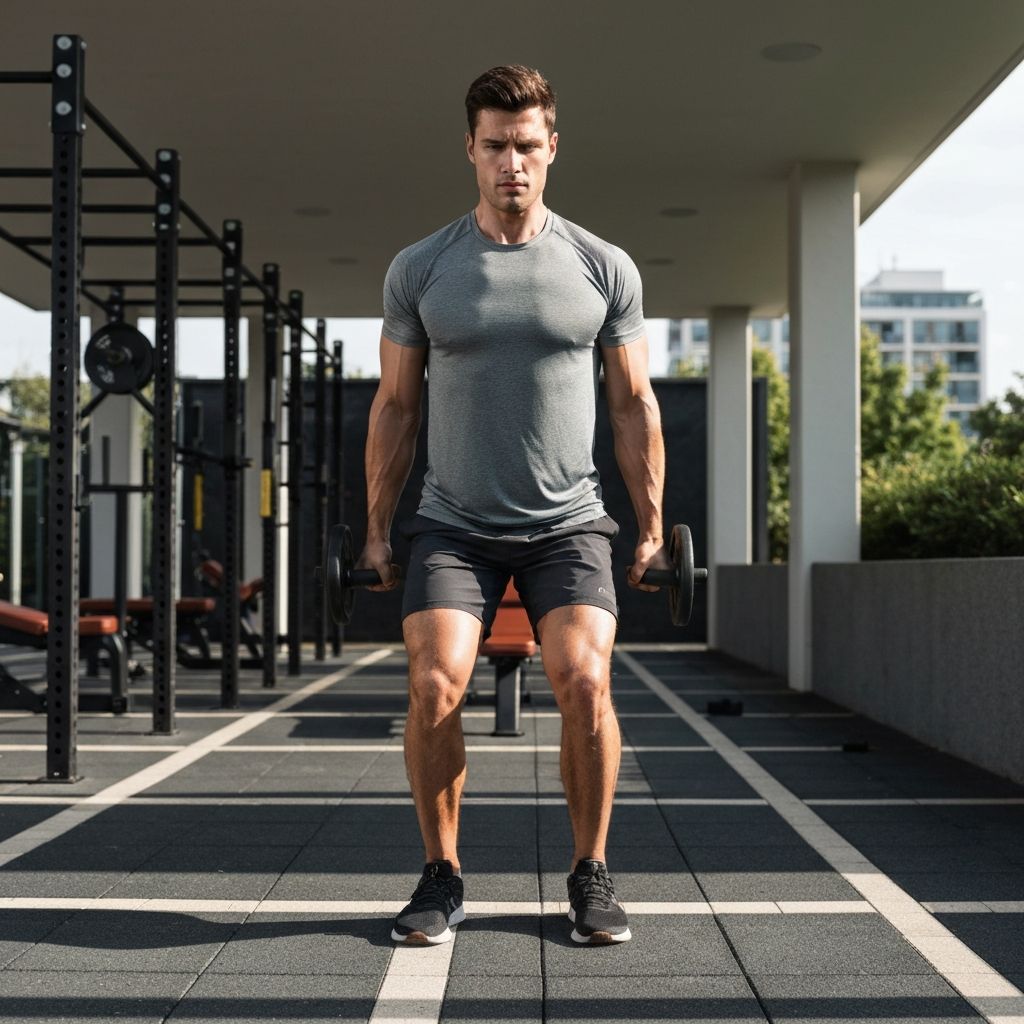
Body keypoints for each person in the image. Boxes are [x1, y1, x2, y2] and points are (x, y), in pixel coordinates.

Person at [358, 64, 668, 947]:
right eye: (495, 145)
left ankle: (590, 871)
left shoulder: (601, 266)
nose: (512, 163)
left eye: (527, 146)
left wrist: (649, 528)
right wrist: (378, 531)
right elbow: (395, 406)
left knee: (584, 678)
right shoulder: (422, 268)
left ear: (552, 148)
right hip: (453, 523)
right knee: (433, 682)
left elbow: (634, 404)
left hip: (568, 522)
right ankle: (441, 873)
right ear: (470, 149)